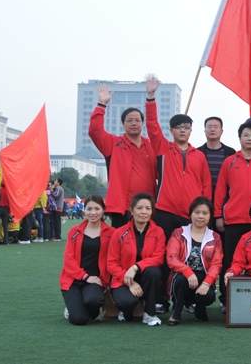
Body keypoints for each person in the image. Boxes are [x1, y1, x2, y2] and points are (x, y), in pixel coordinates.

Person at [214, 122, 251, 313]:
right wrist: (218, 216)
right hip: (234, 221)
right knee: (230, 261)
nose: (250, 139)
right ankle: (226, 299)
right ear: (240, 138)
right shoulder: (229, 161)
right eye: (246, 135)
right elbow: (220, 191)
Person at [145, 74, 212, 240]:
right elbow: (152, 126)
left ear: (191, 131)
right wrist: (151, 97)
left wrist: (204, 210)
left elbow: (206, 185)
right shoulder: (163, 148)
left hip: (190, 213)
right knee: (162, 249)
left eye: (186, 127)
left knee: (187, 251)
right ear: (171, 131)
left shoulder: (199, 156)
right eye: (178, 127)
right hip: (165, 210)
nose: (182, 130)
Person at [89, 83, 157, 228]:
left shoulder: (152, 146)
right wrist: (101, 105)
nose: (134, 123)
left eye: (137, 120)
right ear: (123, 124)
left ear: (143, 124)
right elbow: (95, 131)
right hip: (123, 208)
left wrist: (151, 97)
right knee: (120, 241)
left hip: (147, 208)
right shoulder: (113, 144)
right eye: (129, 120)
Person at [107, 193, 166, 326]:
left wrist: (136, 267)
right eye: (139, 208)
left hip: (146, 278)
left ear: (152, 211)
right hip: (123, 278)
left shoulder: (158, 232)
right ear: (132, 211)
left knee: (154, 272)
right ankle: (127, 309)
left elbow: (158, 258)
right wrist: (129, 282)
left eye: (148, 208)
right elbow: (111, 263)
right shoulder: (119, 233)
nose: (144, 212)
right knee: (126, 304)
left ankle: (149, 314)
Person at [166, 197, 223, 325]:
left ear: (210, 216)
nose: (200, 216)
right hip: (183, 276)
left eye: (205, 213)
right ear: (190, 214)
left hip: (203, 278)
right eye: (197, 212)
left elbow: (217, 264)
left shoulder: (215, 237)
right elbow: (172, 258)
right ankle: (176, 313)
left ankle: (200, 308)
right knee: (180, 280)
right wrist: (188, 272)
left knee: (208, 296)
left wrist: (207, 283)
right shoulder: (179, 233)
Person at [60, 195, 115, 325]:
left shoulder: (112, 233)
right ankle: (73, 307)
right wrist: (85, 276)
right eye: (89, 209)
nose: (93, 213)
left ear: (103, 210)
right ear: (84, 210)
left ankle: (92, 310)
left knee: (94, 300)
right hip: (73, 279)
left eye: (97, 208)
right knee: (80, 319)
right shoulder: (74, 231)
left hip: (96, 279)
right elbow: (68, 260)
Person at [197, 117, 236, 197]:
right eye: (209, 127)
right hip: (202, 197)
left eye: (216, 127)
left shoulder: (231, 152)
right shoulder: (197, 153)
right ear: (205, 131)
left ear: (221, 131)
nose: (212, 129)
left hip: (225, 197)